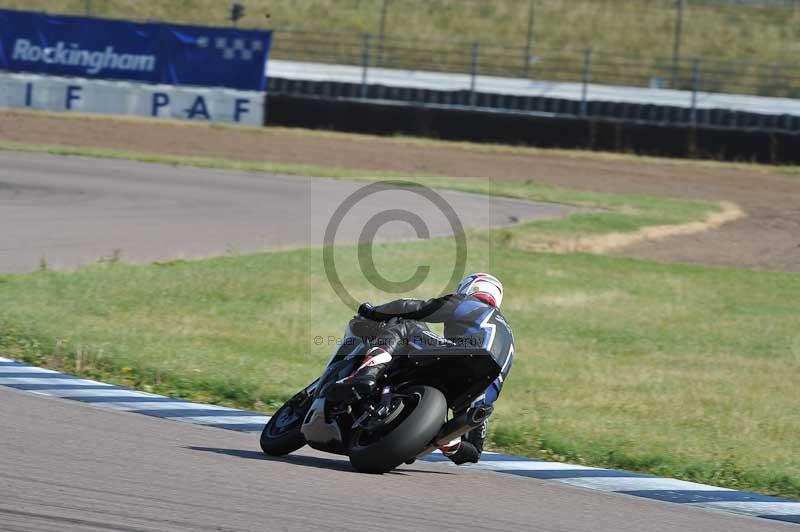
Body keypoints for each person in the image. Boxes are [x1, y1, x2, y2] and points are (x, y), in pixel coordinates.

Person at [328, 273, 514, 465]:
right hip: (482, 385)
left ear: (470, 288)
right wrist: (451, 444)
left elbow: (414, 308)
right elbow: (473, 454)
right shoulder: (507, 334)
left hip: (465, 353)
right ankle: (448, 440)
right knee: (471, 442)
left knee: (407, 325)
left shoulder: (470, 303)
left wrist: (372, 312)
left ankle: (367, 374)